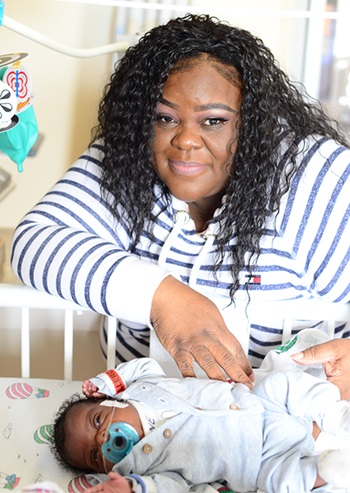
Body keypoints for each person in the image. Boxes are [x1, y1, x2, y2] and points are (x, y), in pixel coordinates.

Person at [10, 14, 350, 393]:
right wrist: (166, 299)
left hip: (295, 427)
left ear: (254, 123)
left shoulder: (316, 175)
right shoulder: (130, 156)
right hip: (147, 420)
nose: (185, 140)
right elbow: (33, 244)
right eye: (164, 117)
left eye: (214, 121)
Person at [51, 357, 350, 493]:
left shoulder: (143, 387)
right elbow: (172, 488)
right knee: (282, 483)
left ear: (110, 402)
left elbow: (144, 365)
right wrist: (132, 488)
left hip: (261, 404)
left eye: (98, 421)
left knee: (282, 384)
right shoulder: (139, 468)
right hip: (257, 463)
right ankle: (326, 470)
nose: (102, 438)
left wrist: (110, 381)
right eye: (94, 455)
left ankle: (337, 416)